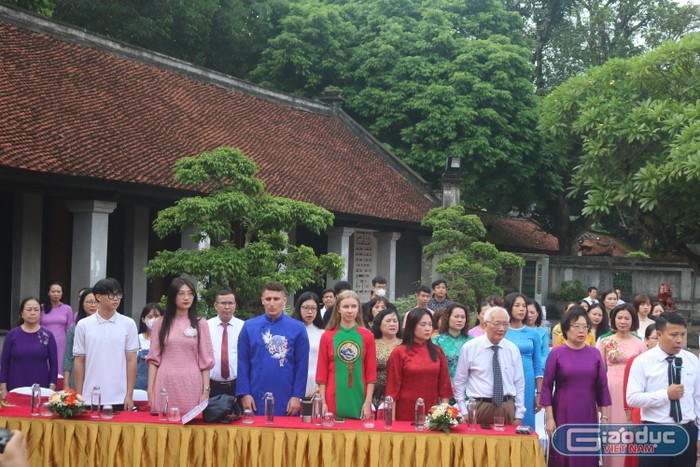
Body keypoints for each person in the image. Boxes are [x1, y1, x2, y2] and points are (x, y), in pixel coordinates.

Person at [627, 312, 700, 467]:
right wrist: (665, 395)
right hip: (655, 432)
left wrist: (699, 435)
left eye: (682, 334)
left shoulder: (692, 360)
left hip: (687, 431)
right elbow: (632, 398)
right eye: (673, 334)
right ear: (659, 335)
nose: (679, 340)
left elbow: (698, 399)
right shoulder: (642, 361)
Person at [541, 306, 611, 467]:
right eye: (576, 326)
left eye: (585, 326)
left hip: (587, 412)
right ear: (566, 328)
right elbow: (546, 386)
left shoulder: (594, 353)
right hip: (563, 411)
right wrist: (550, 418)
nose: (581, 330)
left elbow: (602, 386)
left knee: (585, 454)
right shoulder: (557, 353)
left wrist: (605, 418)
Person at [237, 281, 309, 416]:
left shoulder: (298, 328)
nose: (272, 303)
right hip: (255, 395)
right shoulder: (249, 327)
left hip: (287, 396)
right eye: (268, 299)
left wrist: (297, 396)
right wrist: (244, 393)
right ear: (262, 300)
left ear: (284, 300)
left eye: (276, 299)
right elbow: (242, 363)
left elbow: (302, 366)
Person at [147, 278, 215, 414]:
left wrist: (206, 390)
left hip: (191, 383)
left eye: (190, 294)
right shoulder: (160, 323)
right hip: (165, 381)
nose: (186, 298)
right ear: (173, 296)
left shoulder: (200, 323)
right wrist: (150, 390)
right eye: (181, 293)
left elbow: (205, 361)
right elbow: (154, 359)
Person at [73, 278, 139, 411]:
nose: (116, 299)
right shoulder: (83, 325)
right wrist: (79, 395)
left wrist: (129, 395)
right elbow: (79, 360)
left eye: (118, 294)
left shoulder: (128, 323)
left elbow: (131, 360)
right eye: (111, 295)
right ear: (98, 297)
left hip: (119, 397)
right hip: (89, 396)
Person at [453, 306, 525, 425]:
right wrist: (463, 410)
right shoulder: (470, 348)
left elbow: (519, 382)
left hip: (506, 406)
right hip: (479, 407)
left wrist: (519, 414)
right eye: (496, 324)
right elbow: (459, 381)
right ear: (486, 325)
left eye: (505, 324)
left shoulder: (513, 349)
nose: (501, 328)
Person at [597, 304, 646, 467]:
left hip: (632, 391)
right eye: (619, 317)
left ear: (633, 321)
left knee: (629, 430)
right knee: (612, 430)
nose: (622, 321)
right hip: (611, 390)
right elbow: (598, 372)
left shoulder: (640, 344)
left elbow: (645, 372)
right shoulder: (605, 342)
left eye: (627, 318)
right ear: (613, 320)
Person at [316, 290, 376, 420]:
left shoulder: (367, 336)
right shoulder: (327, 336)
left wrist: (368, 402)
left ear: (358, 308)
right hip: (333, 397)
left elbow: (371, 374)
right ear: (338, 308)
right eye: (346, 306)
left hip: (359, 397)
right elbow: (322, 373)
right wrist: (323, 402)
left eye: (353, 306)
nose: (350, 311)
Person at [385, 308, 452, 421]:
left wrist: (444, 416)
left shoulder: (437, 351)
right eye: (423, 324)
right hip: (405, 411)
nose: (428, 328)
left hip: (433, 413)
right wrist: (392, 421)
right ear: (412, 326)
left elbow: (445, 386)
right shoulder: (399, 352)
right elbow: (392, 389)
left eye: (430, 324)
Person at [0, 297, 58, 397]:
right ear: (21, 313)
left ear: (40, 313)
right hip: (15, 384)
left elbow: (54, 364)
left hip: (41, 386)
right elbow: (4, 363)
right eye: (29, 309)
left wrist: (52, 388)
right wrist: (3, 388)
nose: (32, 312)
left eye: (36, 310)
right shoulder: (12, 335)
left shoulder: (47, 335)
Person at [505, 292, 543, 428]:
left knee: (525, 420)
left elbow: (538, 364)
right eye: (517, 305)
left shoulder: (533, 333)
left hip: (527, 379)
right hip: (506, 378)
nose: (522, 309)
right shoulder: (502, 331)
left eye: (524, 306)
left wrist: (539, 393)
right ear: (509, 307)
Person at [621, 324, 658, 467]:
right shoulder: (636, 360)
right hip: (639, 411)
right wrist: (628, 415)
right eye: (656, 337)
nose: (659, 342)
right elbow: (627, 389)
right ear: (646, 340)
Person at [207, 289, 244, 398]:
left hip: (236, 386)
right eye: (223, 303)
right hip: (211, 386)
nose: (227, 307)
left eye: (230, 303)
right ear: (215, 305)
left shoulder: (244, 327)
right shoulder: (206, 326)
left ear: (235, 305)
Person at [63, 288, 99, 390]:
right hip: (78, 374)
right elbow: (68, 356)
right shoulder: (74, 327)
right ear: (82, 304)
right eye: (88, 302)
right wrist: (66, 383)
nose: (93, 305)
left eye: (96, 302)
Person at [291, 291, 324, 397]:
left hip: (315, 383)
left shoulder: (321, 333)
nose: (310, 312)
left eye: (313, 308)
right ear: (299, 308)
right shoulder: (291, 331)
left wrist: (319, 388)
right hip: (293, 382)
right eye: (306, 308)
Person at [40, 281, 74, 369]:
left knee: (59, 367)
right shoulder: (41, 308)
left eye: (58, 292)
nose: (56, 294)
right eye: (53, 291)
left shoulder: (67, 309)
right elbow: (37, 326)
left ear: (62, 293)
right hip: (44, 342)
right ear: (48, 293)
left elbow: (69, 329)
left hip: (62, 343)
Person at [432, 303, 471, 379]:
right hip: (444, 383)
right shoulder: (437, 340)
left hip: (467, 385)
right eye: (456, 317)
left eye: (463, 317)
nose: (460, 320)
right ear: (448, 318)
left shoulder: (471, 341)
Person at [371, 307, 402, 403]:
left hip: (399, 393)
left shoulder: (405, 345)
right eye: (388, 321)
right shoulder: (372, 344)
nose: (392, 324)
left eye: (395, 321)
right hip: (375, 395)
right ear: (379, 324)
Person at [134, 303, 162, 391]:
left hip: (160, 387)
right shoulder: (137, 339)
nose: (153, 320)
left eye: (157, 316)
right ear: (143, 319)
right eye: (150, 317)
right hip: (139, 389)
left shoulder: (166, 341)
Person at [526, 299, 550, 365]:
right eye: (527, 312)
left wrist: (538, 368)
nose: (529, 315)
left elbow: (545, 354)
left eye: (532, 312)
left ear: (538, 313)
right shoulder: (519, 330)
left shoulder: (543, 332)